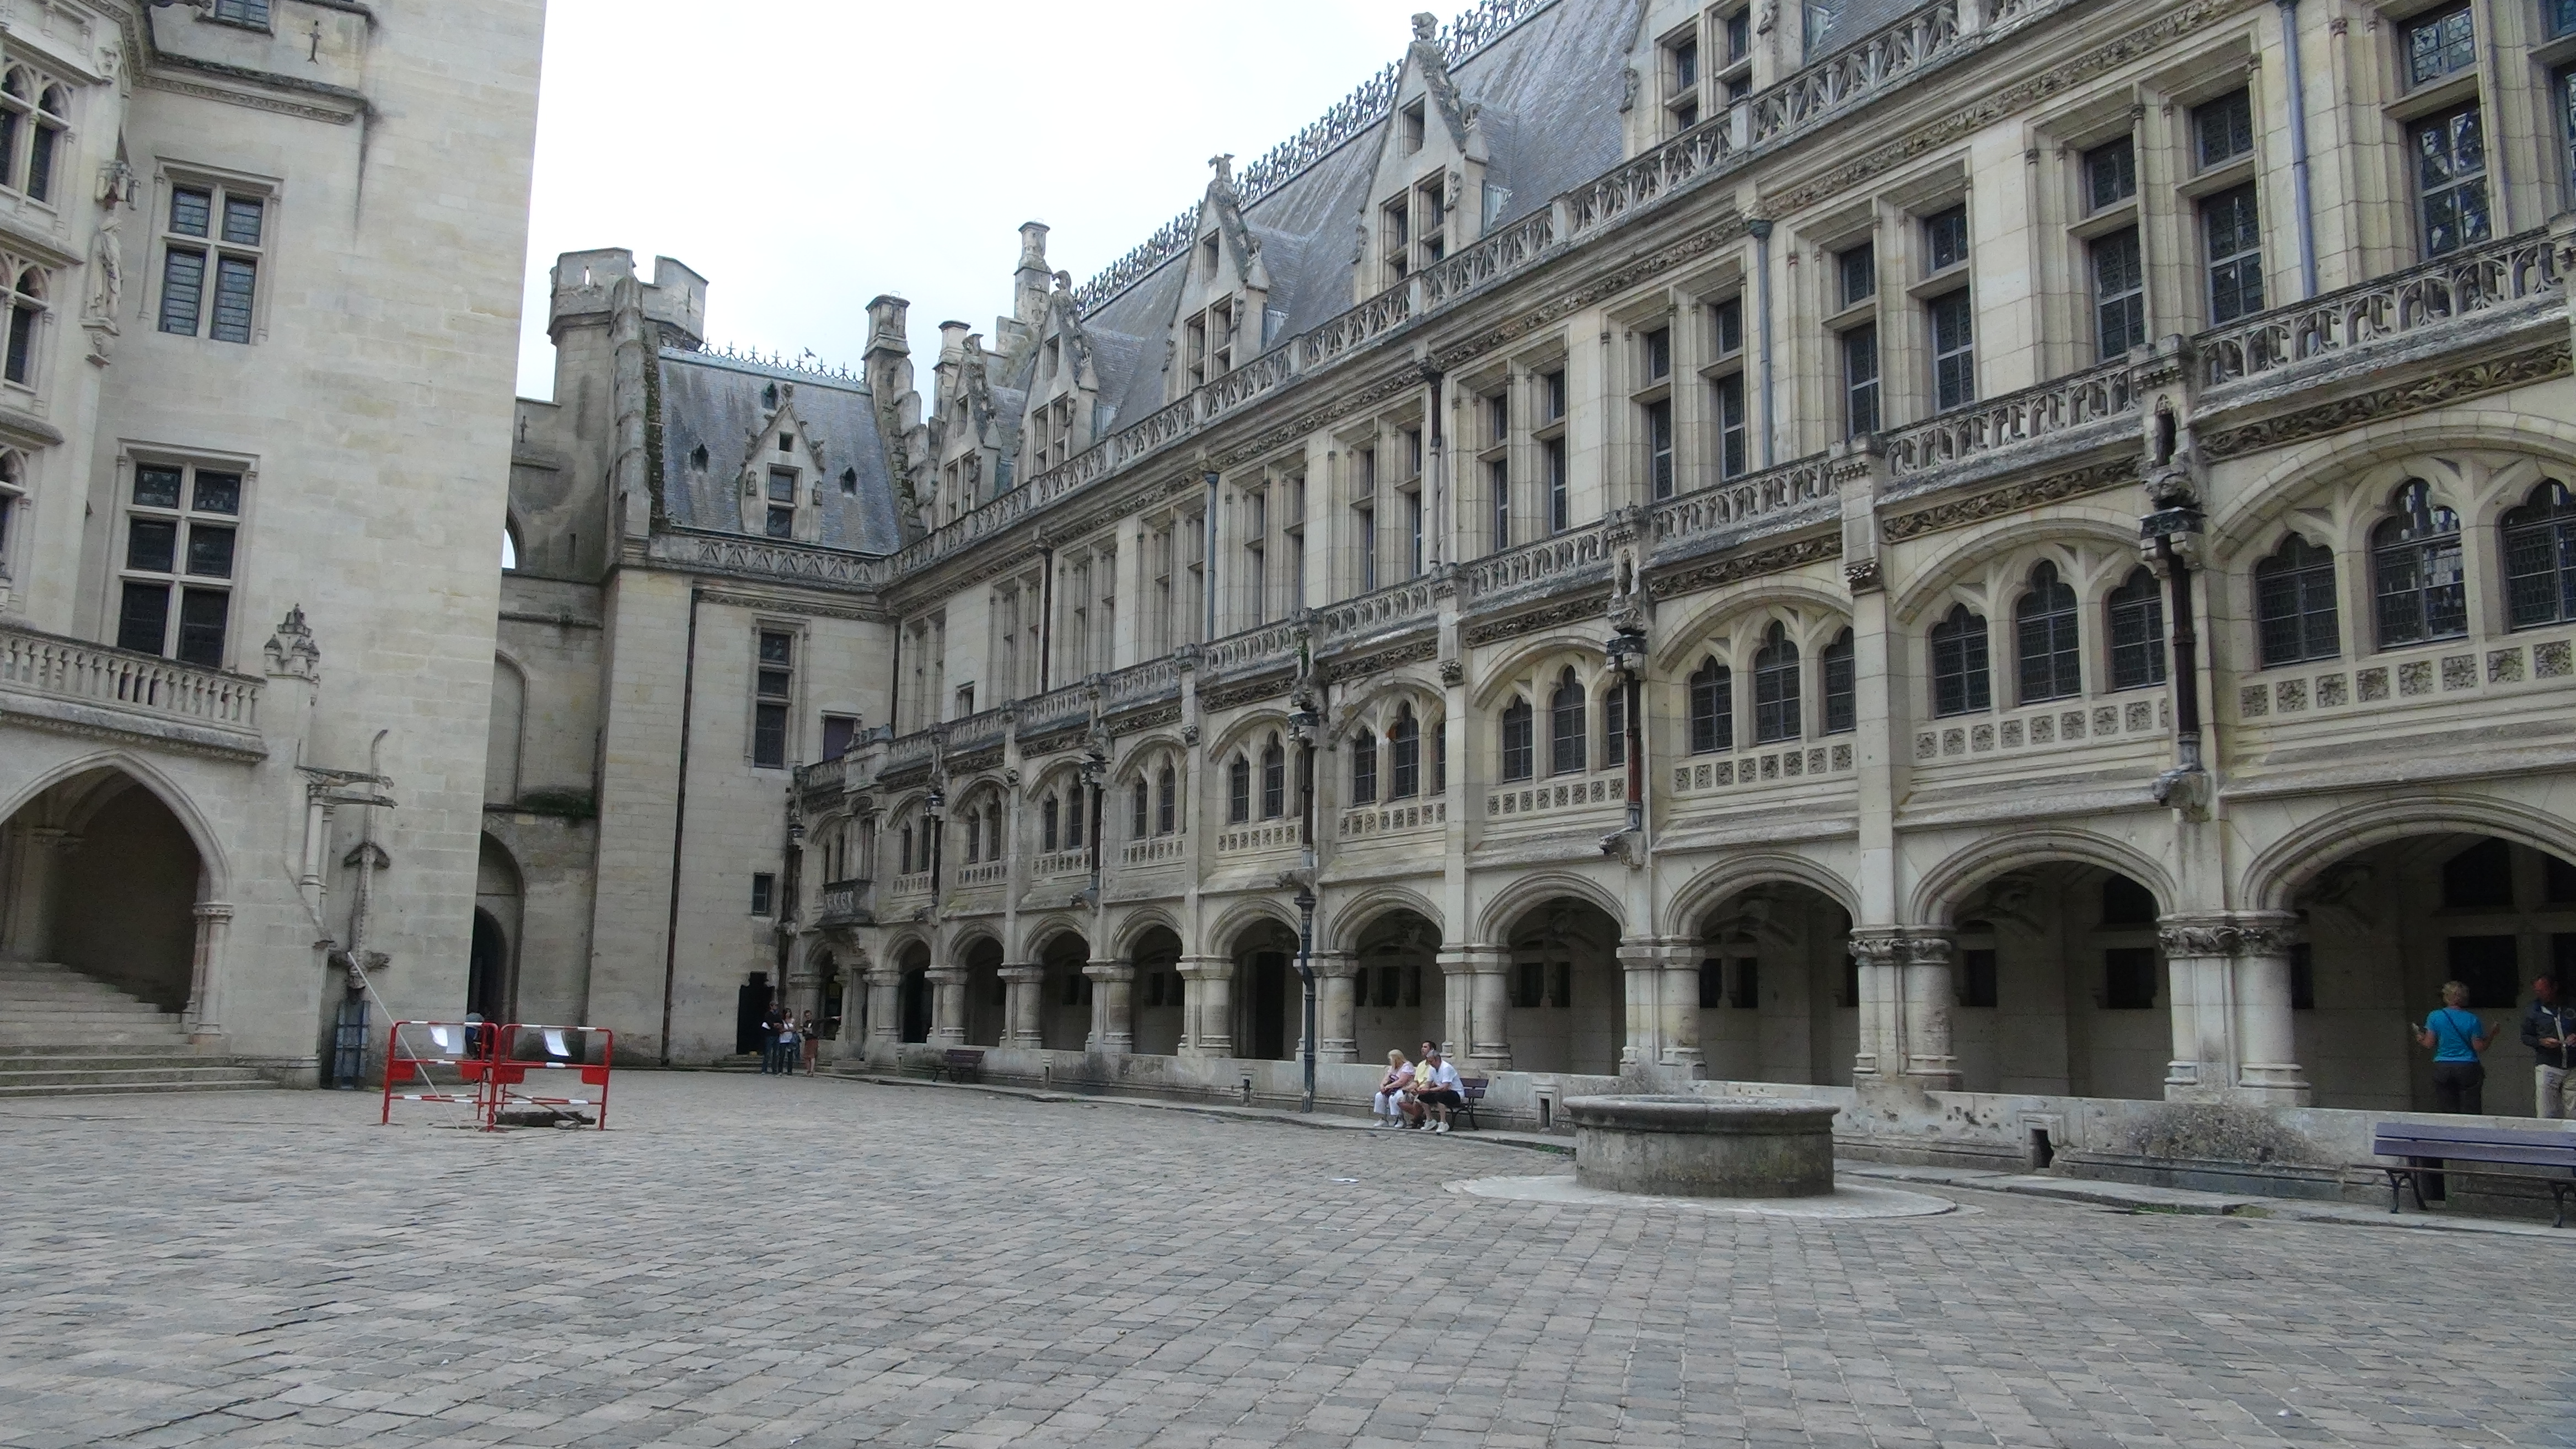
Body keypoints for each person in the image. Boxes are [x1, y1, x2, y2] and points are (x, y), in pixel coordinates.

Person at [2415, 980, 2492, 1114]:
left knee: (2447, 1110)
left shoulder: (2435, 1016)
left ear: (2446, 997)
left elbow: (2429, 1044)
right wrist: (2492, 1035)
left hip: (2443, 1066)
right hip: (2468, 1066)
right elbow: (2479, 1047)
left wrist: (2421, 1038)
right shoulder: (2472, 1019)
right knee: (2471, 1110)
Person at [2521, 976, 2574, 1120]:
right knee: (2546, 1112)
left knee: (2574, 1111)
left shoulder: (2572, 1005)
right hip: (2548, 1064)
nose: (2540, 994)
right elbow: (2525, 1036)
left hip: (2573, 1065)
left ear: (2554, 988)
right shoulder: (2533, 1010)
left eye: (2543, 991)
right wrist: (2541, 1042)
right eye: (2537, 991)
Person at [1409, 1043, 1467, 1134]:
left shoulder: (1446, 1068)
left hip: (1455, 1094)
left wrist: (1429, 1090)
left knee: (1441, 1096)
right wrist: (1423, 1089)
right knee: (1422, 1096)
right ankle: (1430, 1120)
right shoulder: (1432, 1069)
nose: (1430, 1064)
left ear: (1437, 1060)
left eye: (1431, 1061)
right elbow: (1428, 1083)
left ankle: (1443, 1122)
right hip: (1442, 1092)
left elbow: (1445, 1087)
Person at [1371, 1048, 1412, 1127]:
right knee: (1379, 1096)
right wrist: (1382, 1086)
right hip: (1392, 1089)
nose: (1390, 1061)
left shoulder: (1407, 1066)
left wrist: (1389, 1086)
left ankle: (1400, 1119)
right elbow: (1387, 1078)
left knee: (1394, 1097)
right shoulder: (1393, 1068)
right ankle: (1383, 1119)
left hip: (1404, 1089)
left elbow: (1402, 1081)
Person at [758, 1004, 786, 1074]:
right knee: (768, 1053)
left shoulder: (778, 1015)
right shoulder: (768, 1014)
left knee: (776, 1053)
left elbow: (781, 1023)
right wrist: (774, 1024)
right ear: (771, 1006)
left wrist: (777, 1025)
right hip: (769, 1035)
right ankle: (764, 1069)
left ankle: (774, 1070)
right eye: (775, 1006)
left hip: (777, 1035)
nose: (776, 1007)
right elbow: (769, 1022)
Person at [799, 1012, 821, 1076]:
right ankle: (808, 1070)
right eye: (807, 1016)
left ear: (811, 1015)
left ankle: (812, 1071)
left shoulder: (815, 1022)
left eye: (809, 1015)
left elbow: (823, 1020)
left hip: (813, 1039)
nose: (808, 1017)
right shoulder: (805, 1023)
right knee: (806, 1056)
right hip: (808, 1040)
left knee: (812, 1056)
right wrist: (806, 1032)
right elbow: (803, 1033)